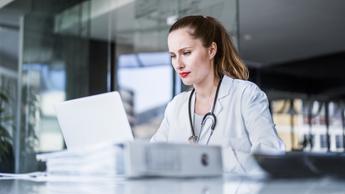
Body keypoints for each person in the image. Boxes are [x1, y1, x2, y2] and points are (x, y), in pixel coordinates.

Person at [150, 15, 285, 175]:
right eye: (173, 56)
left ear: (211, 50)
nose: (178, 64)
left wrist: (212, 160)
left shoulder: (245, 95)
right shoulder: (176, 106)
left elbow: (270, 155)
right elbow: (151, 156)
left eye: (186, 52)